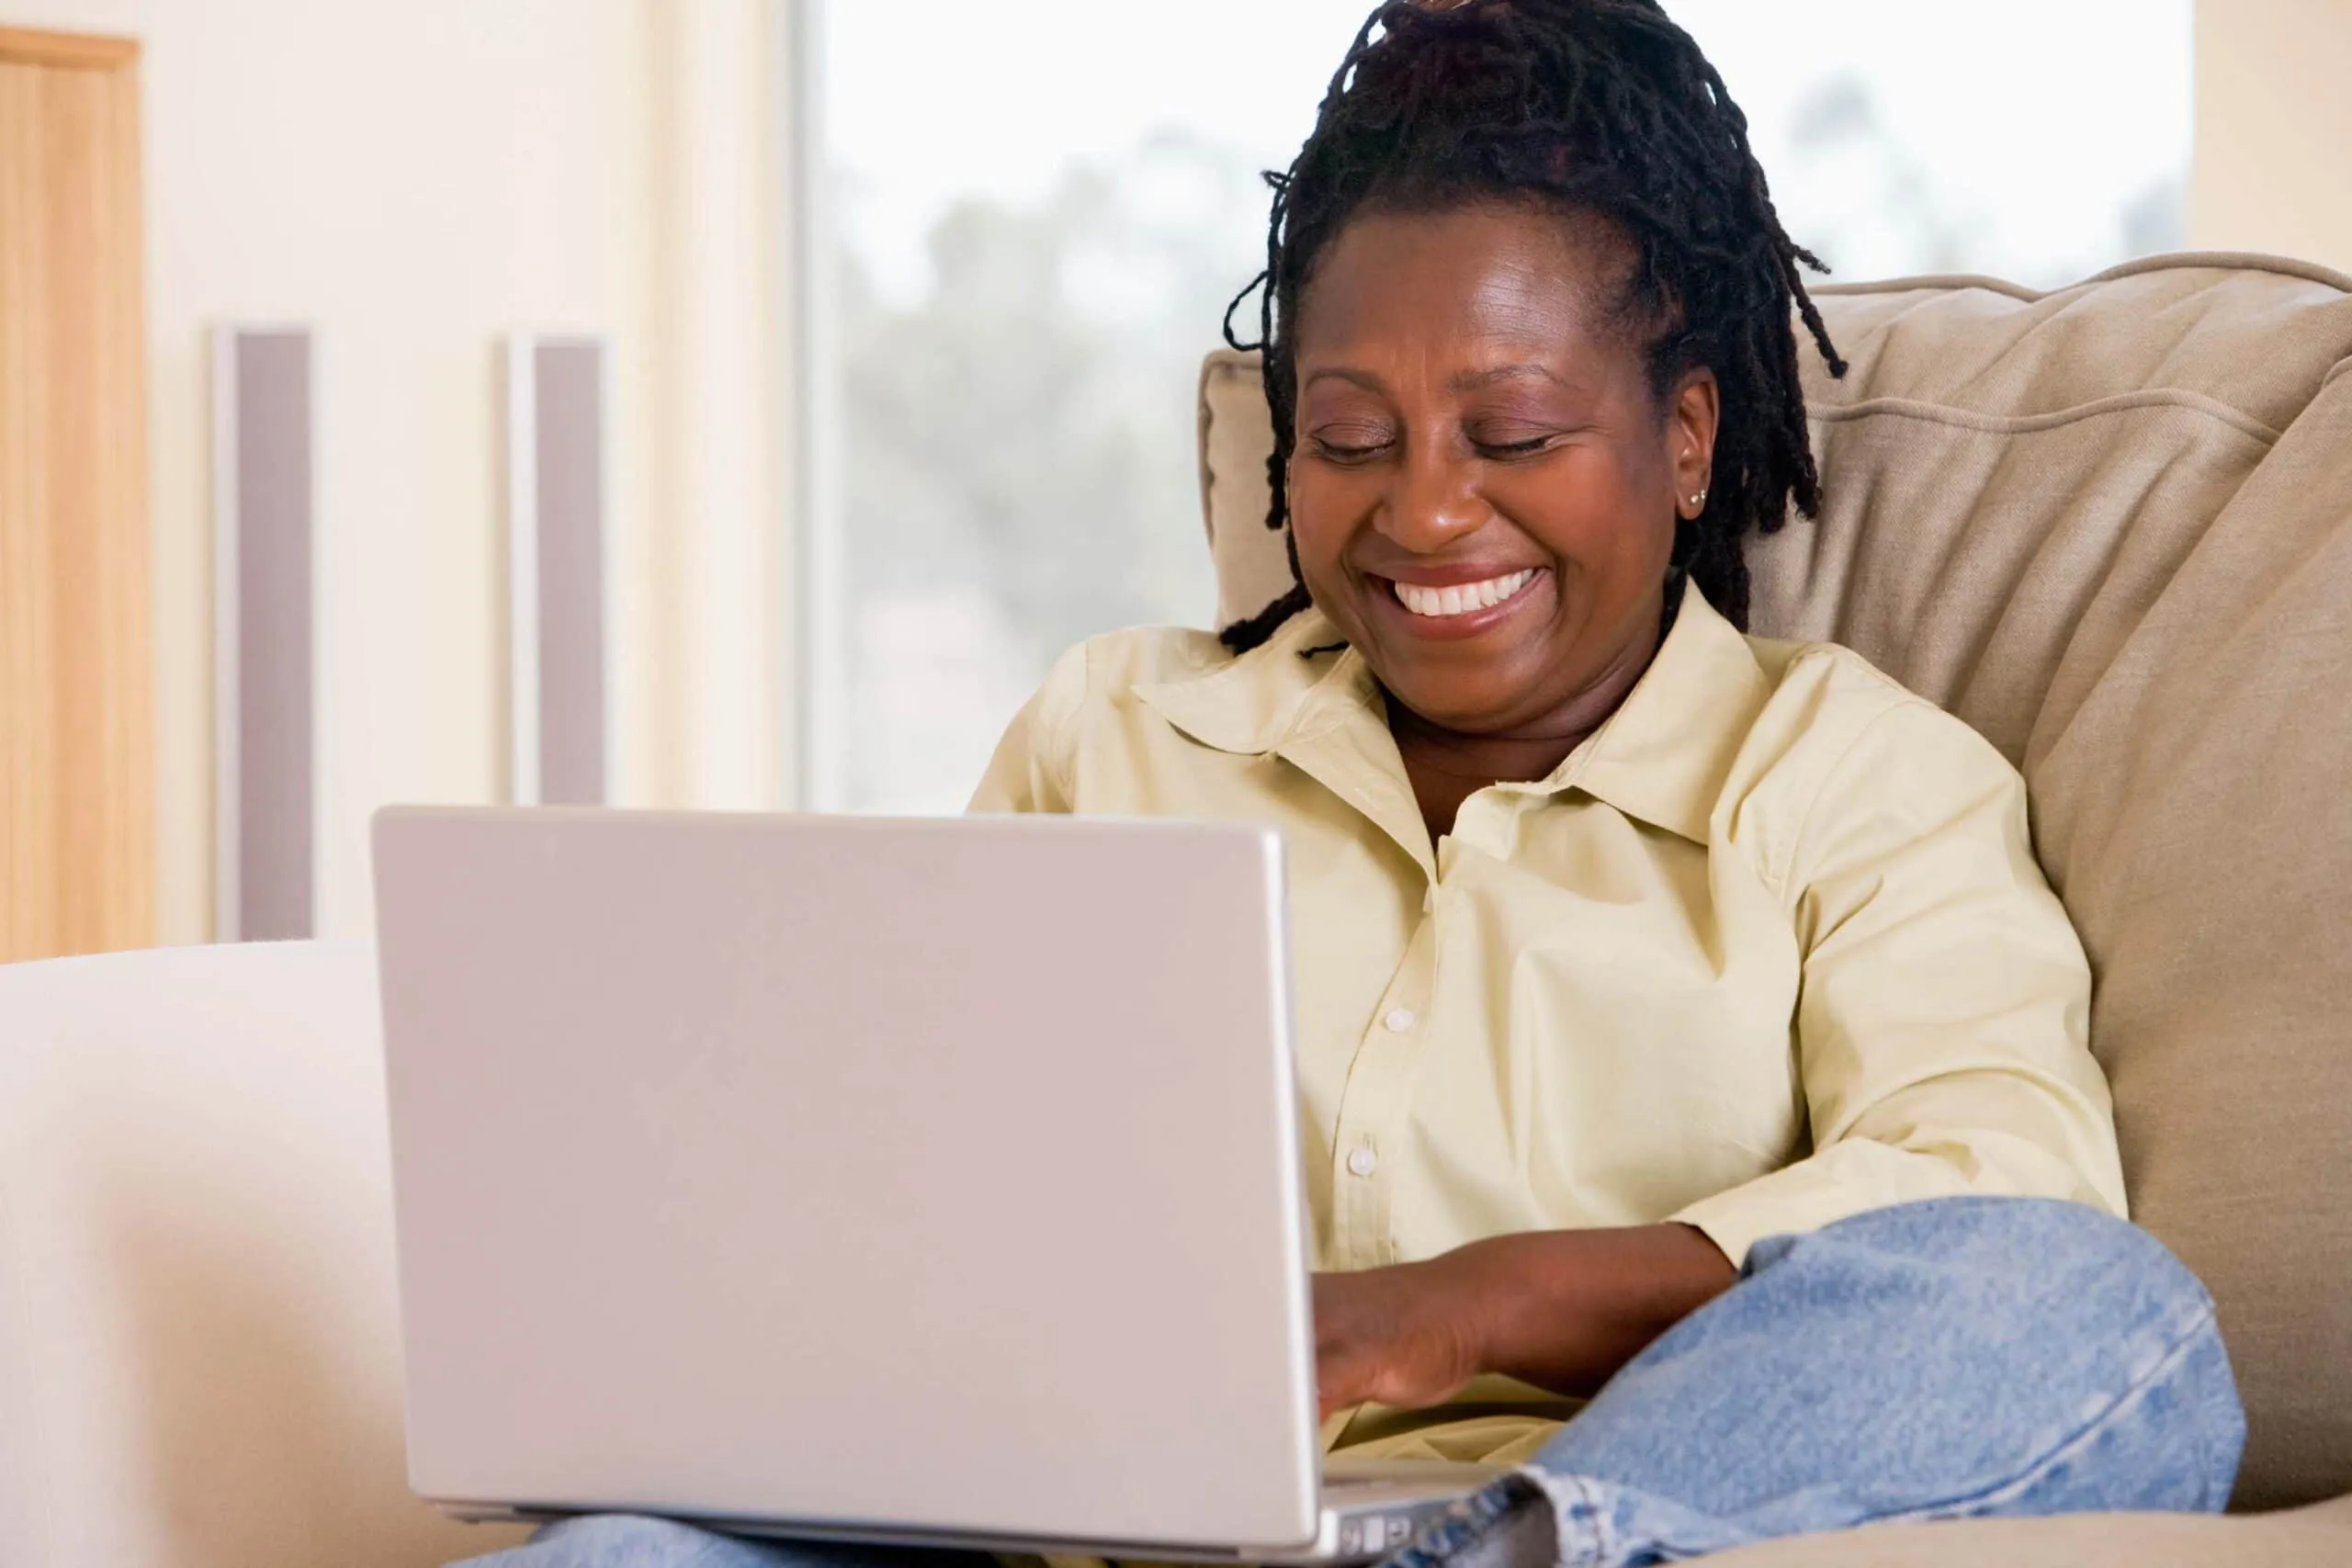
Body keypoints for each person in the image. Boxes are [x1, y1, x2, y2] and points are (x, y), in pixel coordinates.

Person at [467, 3, 2242, 1564]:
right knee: (620, 1545)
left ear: (1686, 435)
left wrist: (1469, 1310)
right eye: (1350, 439)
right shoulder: (1118, 733)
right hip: (1052, 1522)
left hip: (1598, 1500)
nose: (1427, 513)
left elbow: (2000, 1187)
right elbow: (914, 1178)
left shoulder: (1853, 782)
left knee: (2092, 1314)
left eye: (1516, 434)